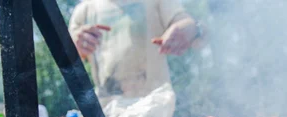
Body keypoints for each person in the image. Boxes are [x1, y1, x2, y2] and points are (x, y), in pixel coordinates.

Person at [69, 0, 205, 109]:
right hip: (107, 112)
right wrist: (75, 43)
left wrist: (190, 28)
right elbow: (67, 57)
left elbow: (185, 22)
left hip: (153, 109)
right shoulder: (85, 8)